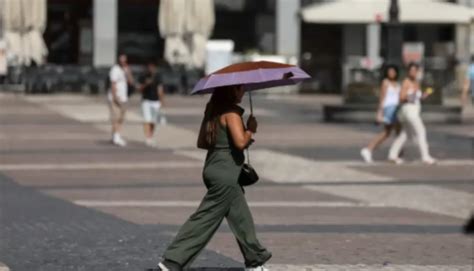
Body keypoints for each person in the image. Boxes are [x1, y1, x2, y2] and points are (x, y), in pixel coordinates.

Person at [156, 86, 272, 271]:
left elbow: (202, 142)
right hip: (225, 173)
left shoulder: (213, 111)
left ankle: (255, 261)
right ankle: (172, 261)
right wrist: (250, 130)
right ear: (231, 91)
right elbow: (241, 143)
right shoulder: (232, 113)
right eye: (240, 89)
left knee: (242, 218)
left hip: (214, 167)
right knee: (205, 219)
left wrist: (223, 143)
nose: (242, 92)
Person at [388, 63, 436, 164]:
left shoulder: (416, 82)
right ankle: (425, 156)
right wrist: (412, 96)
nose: (413, 72)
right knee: (421, 131)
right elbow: (401, 97)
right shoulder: (406, 82)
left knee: (404, 134)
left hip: (414, 110)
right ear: (408, 71)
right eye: (411, 70)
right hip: (409, 111)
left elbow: (418, 98)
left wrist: (424, 95)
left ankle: (392, 155)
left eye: (415, 70)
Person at [361, 65, 401, 163]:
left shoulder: (398, 83)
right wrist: (379, 112)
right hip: (389, 109)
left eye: (393, 71)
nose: (391, 73)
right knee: (391, 132)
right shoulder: (385, 82)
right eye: (389, 72)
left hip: (397, 108)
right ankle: (369, 149)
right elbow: (382, 98)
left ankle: (395, 154)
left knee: (395, 133)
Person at [107, 54, 134, 147]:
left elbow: (131, 82)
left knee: (121, 118)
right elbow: (113, 84)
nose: (123, 62)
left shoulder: (126, 69)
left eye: (124, 60)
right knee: (116, 118)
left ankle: (115, 136)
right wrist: (115, 97)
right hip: (116, 97)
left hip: (124, 97)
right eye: (121, 60)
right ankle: (116, 137)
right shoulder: (115, 69)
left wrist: (128, 72)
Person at [138, 61, 165, 147]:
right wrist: (146, 84)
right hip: (146, 100)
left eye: (153, 66)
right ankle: (147, 138)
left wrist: (161, 100)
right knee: (147, 120)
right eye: (150, 66)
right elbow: (139, 88)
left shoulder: (158, 76)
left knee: (153, 121)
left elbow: (160, 89)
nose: (151, 68)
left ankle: (150, 135)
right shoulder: (143, 76)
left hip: (155, 100)